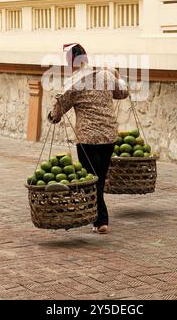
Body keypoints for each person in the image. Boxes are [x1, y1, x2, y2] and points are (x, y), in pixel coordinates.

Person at [48, 43, 128, 234]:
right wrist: (116, 75)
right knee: (99, 177)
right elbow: (123, 92)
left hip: (88, 139)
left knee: (93, 179)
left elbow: (58, 110)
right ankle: (98, 219)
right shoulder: (105, 75)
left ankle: (100, 220)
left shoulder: (74, 83)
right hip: (109, 135)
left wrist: (52, 116)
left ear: (70, 61)